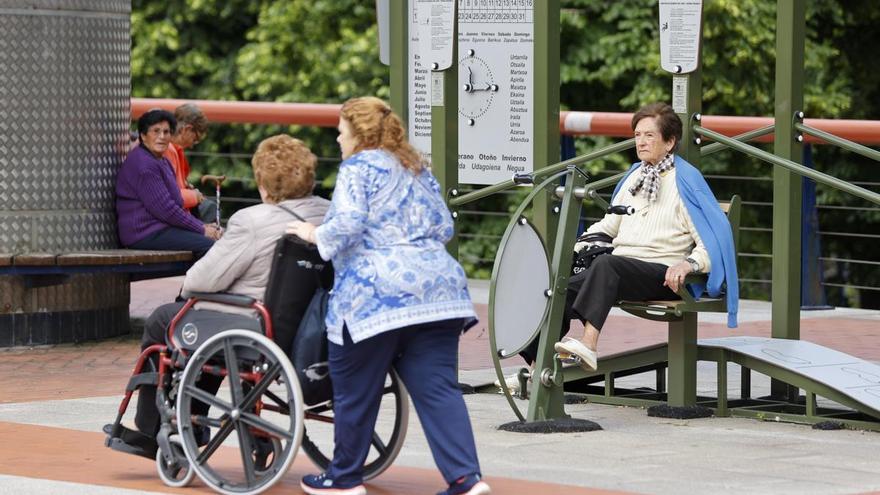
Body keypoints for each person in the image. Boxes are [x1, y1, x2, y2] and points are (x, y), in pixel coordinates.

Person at [287, 97, 491, 495]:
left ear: (358, 134)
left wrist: (312, 234)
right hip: (439, 293)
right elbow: (443, 226)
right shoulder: (415, 166)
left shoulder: (358, 167)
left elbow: (346, 224)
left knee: (354, 387)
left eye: (341, 131)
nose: (337, 139)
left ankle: (344, 478)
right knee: (437, 389)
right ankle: (466, 479)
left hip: (376, 296)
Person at [112, 134, 330, 456]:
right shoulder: (329, 214)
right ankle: (198, 423)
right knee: (205, 329)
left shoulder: (252, 221)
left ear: (264, 183)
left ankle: (149, 427)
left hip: (253, 325)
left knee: (165, 321)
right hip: (303, 328)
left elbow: (199, 280)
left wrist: (185, 293)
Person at [512, 102, 738, 389]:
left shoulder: (686, 182)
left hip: (661, 273)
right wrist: (574, 247)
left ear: (670, 142)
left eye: (649, 136)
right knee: (556, 288)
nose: (640, 142)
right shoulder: (635, 176)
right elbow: (609, 225)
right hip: (620, 268)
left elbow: (711, 241)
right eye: (637, 135)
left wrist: (689, 264)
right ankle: (537, 372)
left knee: (608, 265)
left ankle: (589, 344)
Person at [116, 109, 220, 258]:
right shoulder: (144, 164)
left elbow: (175, 202)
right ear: (143, 136)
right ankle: (196, 282)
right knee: (210, 247)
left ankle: (197, 281)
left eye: (166, 132)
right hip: (143, 233)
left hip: (159, 228)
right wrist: (201, 228)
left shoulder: (161, 161)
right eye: (156, 131)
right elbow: (167, 210)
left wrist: (201, 227)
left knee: (217, 240)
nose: (162, 137)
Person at [164, 103, 217, 223]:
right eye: (195, 139)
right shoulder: (168, 150)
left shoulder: (175, 150)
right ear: (186, 129)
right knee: (209, 210)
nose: (193, 145)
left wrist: (187, 187)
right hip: (169, 219)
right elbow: (169, 196)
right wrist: (194, 196)